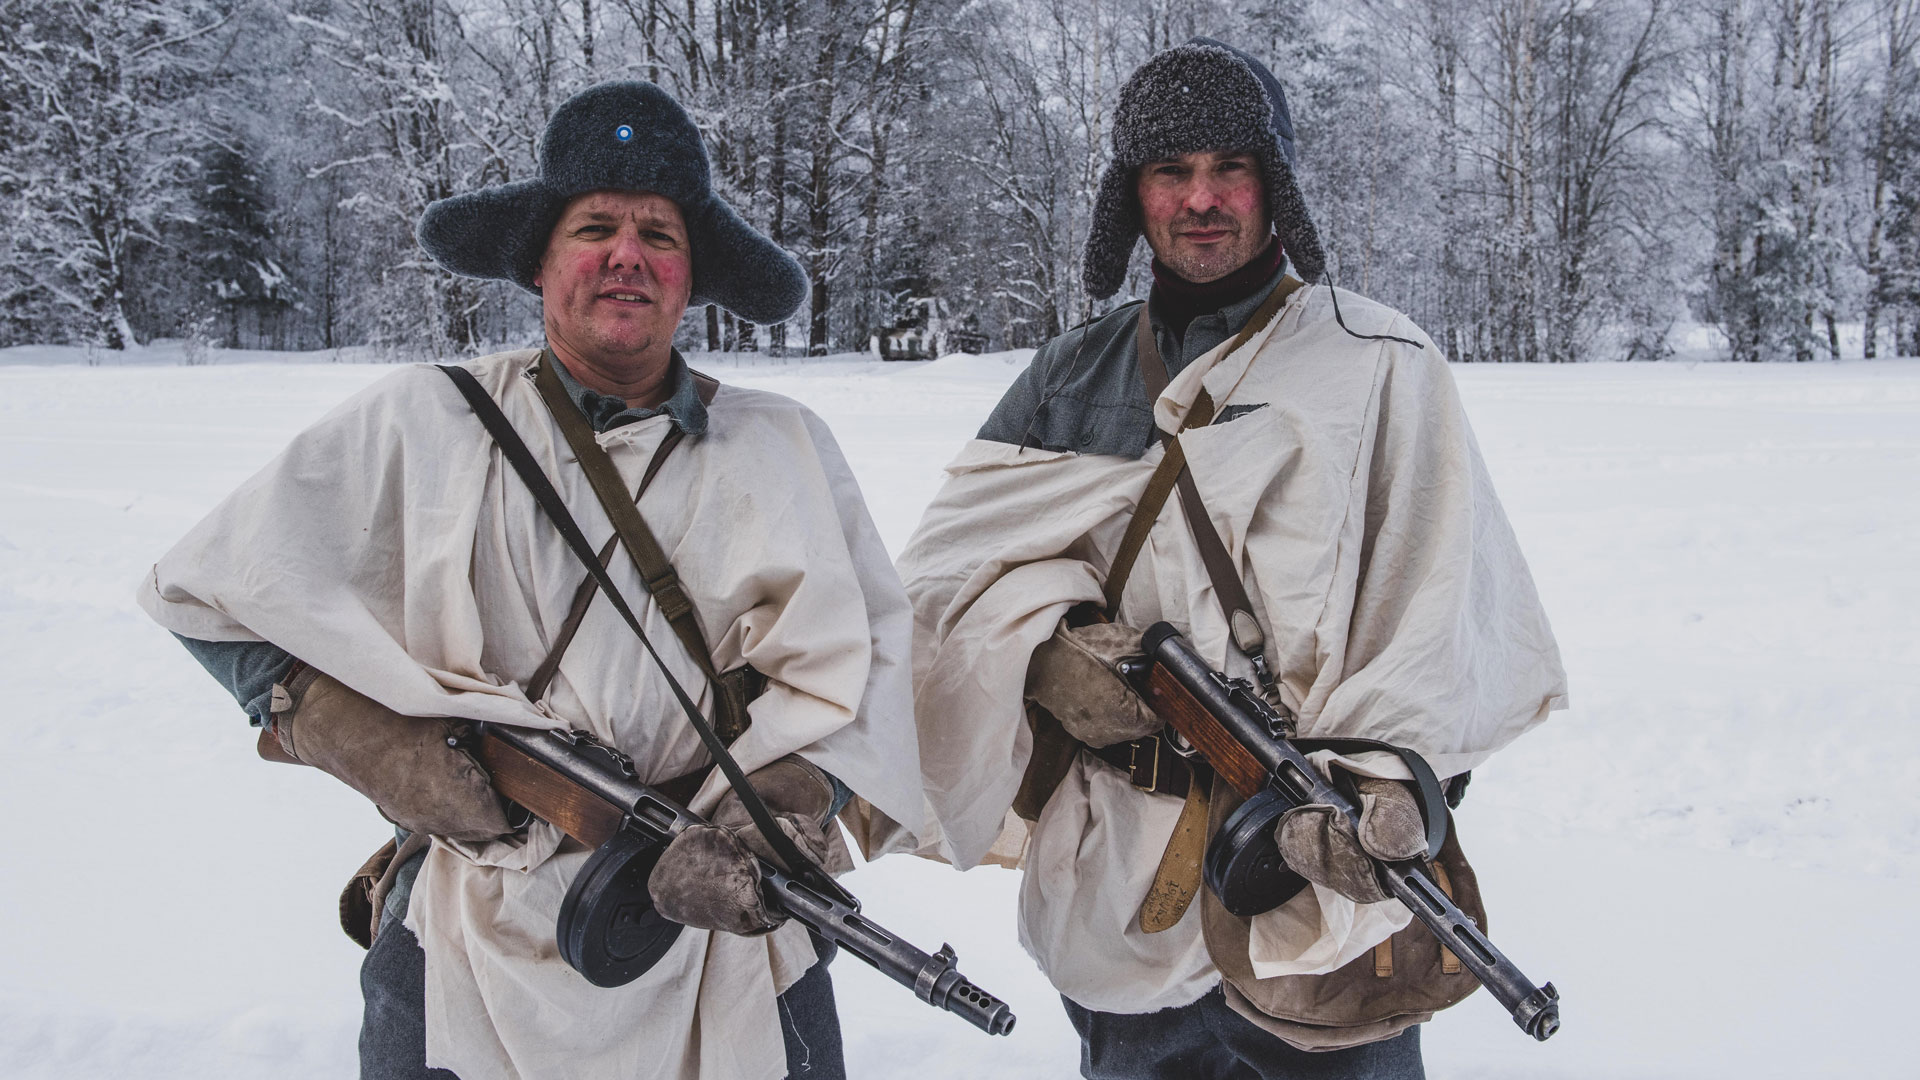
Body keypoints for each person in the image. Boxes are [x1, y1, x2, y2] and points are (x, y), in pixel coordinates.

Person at [136, 81, 923, 1080]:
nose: (626, 255)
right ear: (543, 259)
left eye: (660, 235)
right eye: (594, 226)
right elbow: (200, 596)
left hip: (723, 927)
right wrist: (356, 733)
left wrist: (791, 792)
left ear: (692, 275)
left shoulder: (785, 448)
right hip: (466, 922)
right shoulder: (422, 421)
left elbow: (878, 665)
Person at [897, 38, 1568, 1079]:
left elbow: (1437, 620)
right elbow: (948, 590)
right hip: (1121, 886)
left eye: (1230, 168)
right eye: (1170, 171)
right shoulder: (1071, 375)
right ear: (1133, 195)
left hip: (1328, 893)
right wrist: (1044, 656)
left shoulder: (1378, 366)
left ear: (1276, 185)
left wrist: (1384, 793)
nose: (1200, 198)